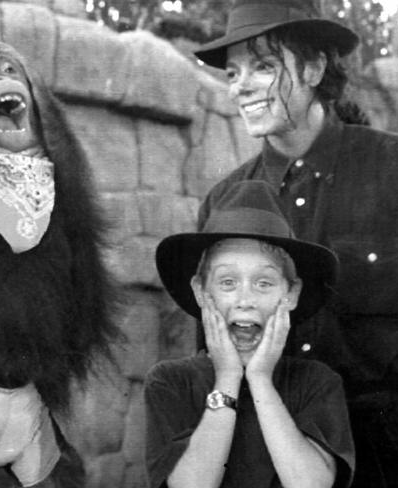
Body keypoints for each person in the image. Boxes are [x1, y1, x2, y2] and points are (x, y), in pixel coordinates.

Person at [193, 1, 398, 486]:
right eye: (234, 71)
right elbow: (209, 357)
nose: (239, 85)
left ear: (314, 67)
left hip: (384, 452)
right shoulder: (224, 203)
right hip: (263, 447)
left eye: (263, 65)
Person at [146, 180, 354, 488]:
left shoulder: (317, 382)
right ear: (201, 292)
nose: (245, 300)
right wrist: (228, 377)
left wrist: (260, 379)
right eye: (228, 282)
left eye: (264, 283)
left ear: (292, 293)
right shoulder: (171, 381)